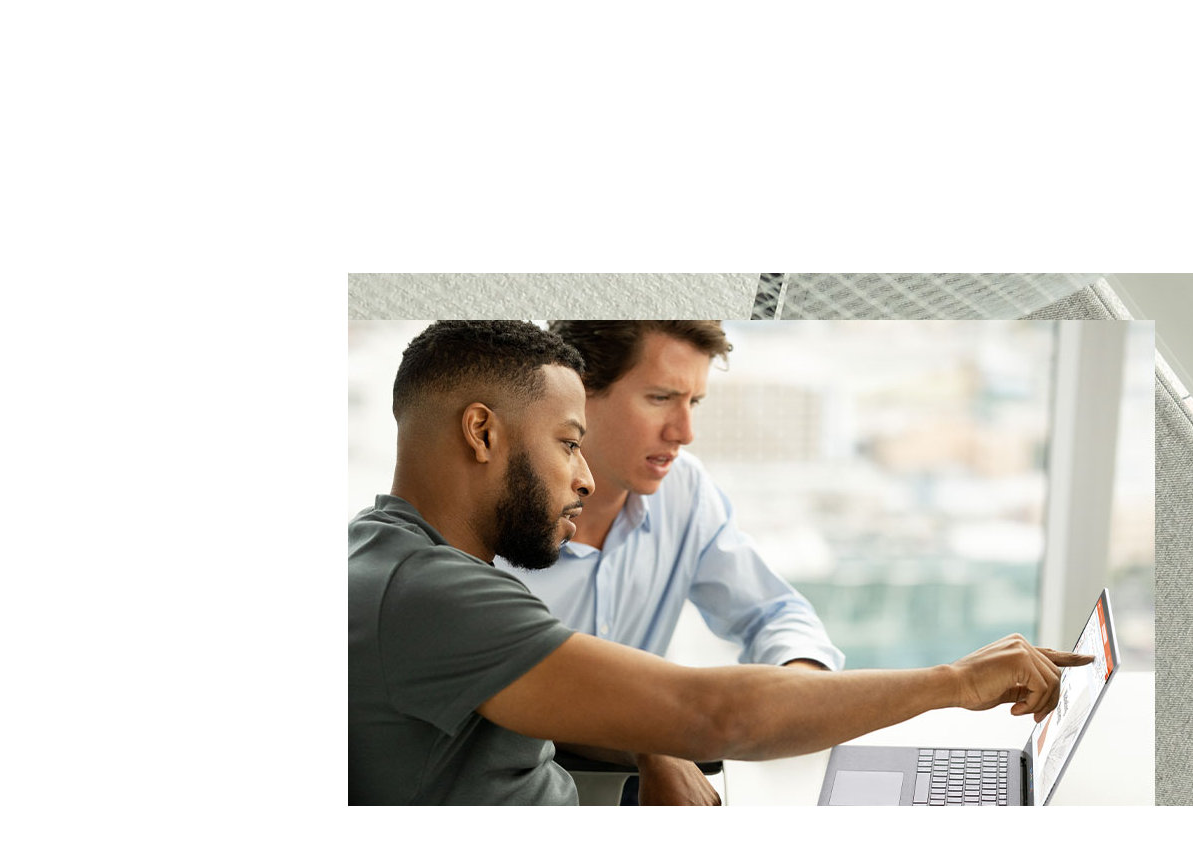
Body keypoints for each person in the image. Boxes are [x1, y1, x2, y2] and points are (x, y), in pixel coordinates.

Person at [348, 320, 1090, 806]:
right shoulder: (433, 593)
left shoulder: (407, 559)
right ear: (482, 433)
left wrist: (779, 708)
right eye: (568, 443)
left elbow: (764, 626)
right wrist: (953, 683)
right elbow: (714, 714)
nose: (582, 478)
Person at [511, 320, 838, 805]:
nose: (684, 432)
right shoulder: (495, 514)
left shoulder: (683, 490)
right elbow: (521, 691)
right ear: (578, 393)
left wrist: (795, 690)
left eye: (694, 402)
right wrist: (652, 741)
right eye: (661, 398)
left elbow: (772, 613)